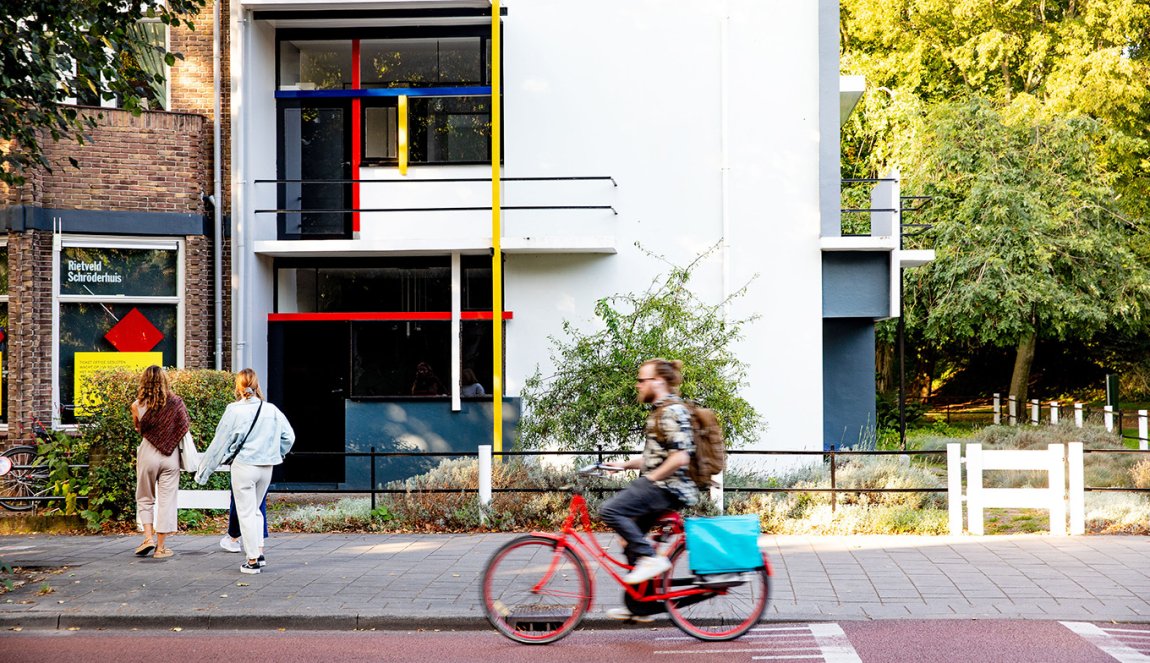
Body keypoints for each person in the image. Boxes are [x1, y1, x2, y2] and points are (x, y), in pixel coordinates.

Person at [600, 358, 699, 622]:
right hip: (661, 484)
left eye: (642, 380)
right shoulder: (661, 410)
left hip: (668, 488)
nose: (638, 385)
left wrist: (649, 479)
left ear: (658, 381)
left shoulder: (672, 412)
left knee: (610, 510)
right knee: (626, 536)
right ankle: (638, 605)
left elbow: (680, 458)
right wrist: (624, 465)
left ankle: (650, 559)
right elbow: (656, 458)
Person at [196, 368, 295, 574]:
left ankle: (252, 561)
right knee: (256, 510)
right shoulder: (271, 410)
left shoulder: (234, 410)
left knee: (246, 512)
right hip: (266, 467)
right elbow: (289, 437)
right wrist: (277, 452)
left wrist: (204, 472)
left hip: (244, 465)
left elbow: (219, 443)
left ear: (238, 387)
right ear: (257, 385)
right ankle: (259, 551)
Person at [131, 365, 189, 560]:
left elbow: (139, 429)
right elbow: (183, 427)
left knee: (145, 497)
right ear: (165, 381)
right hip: (170, 455)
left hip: (147, 453)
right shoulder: (176, 402)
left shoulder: (137, 405)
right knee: (167, 501)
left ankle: (148, 538)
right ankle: (161, 548)